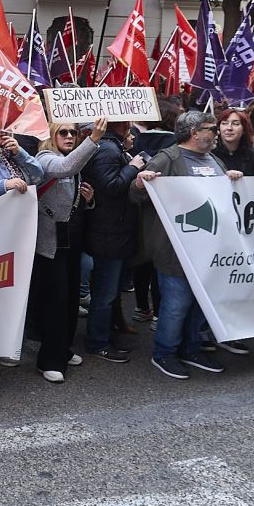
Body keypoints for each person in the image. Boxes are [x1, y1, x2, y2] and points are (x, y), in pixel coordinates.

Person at [132, 112, 240, 380]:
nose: (217, 132)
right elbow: (136, 195)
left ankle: (191, 348)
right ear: (194, 132)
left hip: (209, 249)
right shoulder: (168, 159)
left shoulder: (214, 159)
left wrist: (234, 180)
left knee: (199, 304)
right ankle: (164, 353)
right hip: (175, 250)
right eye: (211, 128)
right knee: (176, 304)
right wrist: (139, 183)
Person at [32, 120, 104, 383]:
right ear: (51, 134)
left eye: (74, 132)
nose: (70, 136)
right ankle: (48, 360)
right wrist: (94, 138)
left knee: (71, 299)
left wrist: (90, 199)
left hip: (71, 241)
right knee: (56, 302)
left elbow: (73, 187)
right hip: (50, 244)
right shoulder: (45, 158)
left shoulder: (70, 159)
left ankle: (62, 348)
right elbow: (65, 169)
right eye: (63, 132)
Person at [79, 121, 147, 363]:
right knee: (105, 293)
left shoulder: (111, 146)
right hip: (109, 233)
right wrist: (132, 167)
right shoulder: (108, 150)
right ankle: (97, 343)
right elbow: (111, 186)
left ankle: (106, 335)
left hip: (114, 231)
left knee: (110, 290)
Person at [213, 109, 254, 177]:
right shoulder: (210, 154)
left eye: (235, 124)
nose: (229, 128)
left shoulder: (252, 157)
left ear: (244, 129)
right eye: (224, 123)